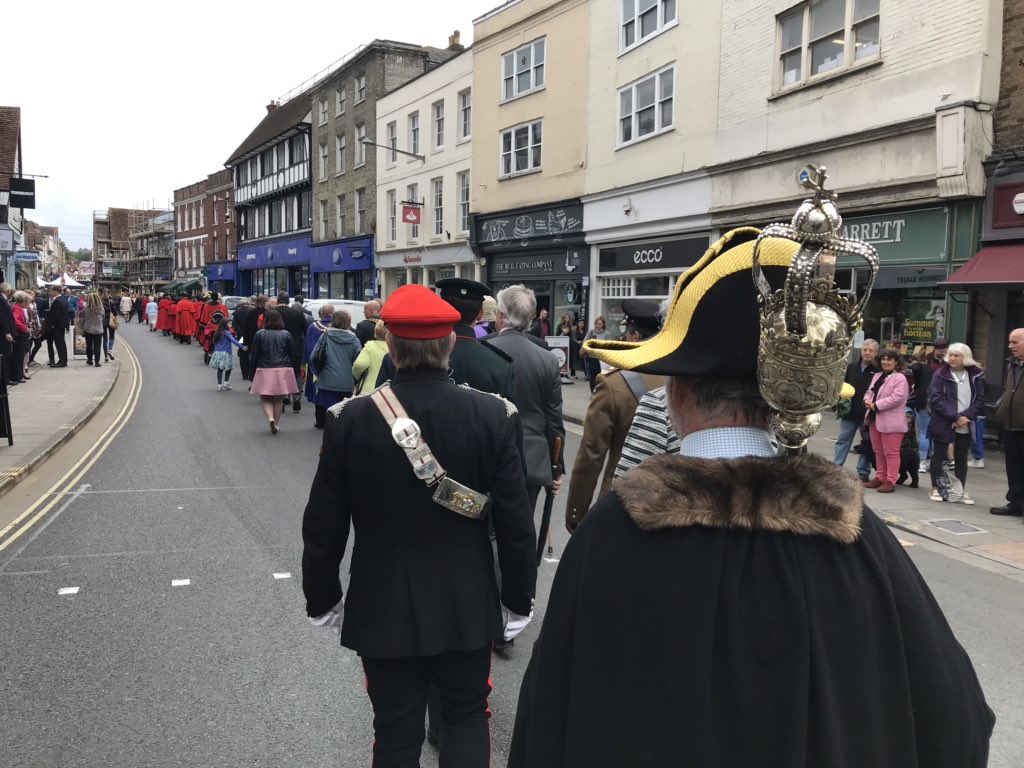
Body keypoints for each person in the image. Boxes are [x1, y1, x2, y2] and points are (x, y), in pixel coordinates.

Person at [508, 221, 994, 768]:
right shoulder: (860, 539)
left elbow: (544, 722)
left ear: (678, 392)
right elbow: (960, 723)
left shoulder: (613, 534)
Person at [302, 284, 536, 768]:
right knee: (467, 715)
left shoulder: (350, 419)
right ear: (449, 343)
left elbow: (324, 523)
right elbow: (515, 523)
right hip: (466, 597)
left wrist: (323, 597)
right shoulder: (494, 414)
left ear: (391, 346)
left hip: (382, 599)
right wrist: (518, 598)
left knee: (394, 731)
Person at [565, 299, 663, 531]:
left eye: (627, 333)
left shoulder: (613, 383)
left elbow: (591, 454)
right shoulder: (682, 379)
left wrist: (576, 514)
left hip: (622, 500)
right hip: (670, 505)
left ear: (635, 336)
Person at [487, 285, 566, 515]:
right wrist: (556, 467)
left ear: (501, 315)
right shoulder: (548, 360)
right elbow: (554, 419)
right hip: (533, 461)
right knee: (523, 525)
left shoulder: (484, 350)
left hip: (491, 458)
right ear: (531, 318)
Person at [435, 277, 518, 404]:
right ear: (480, 314)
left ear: (442, 309)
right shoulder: (500, 364)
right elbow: (511, 413)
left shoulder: (423, 356)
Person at [926, 342, 985, 504]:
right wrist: (955, 417)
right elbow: (936, 398)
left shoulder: (975, 375)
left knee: (961, 456)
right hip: (943, 420)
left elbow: (979, 399)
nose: (952, 358)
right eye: (950, 355)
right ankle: (935, 487)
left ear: (965, 357)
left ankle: (960, 490)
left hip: (965, 422)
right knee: (939, 454)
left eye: (956, 355)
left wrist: (966, 416)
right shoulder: (940, 374)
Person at [862, 349, 910, 494]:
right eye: (883, 359)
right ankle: (880, 477)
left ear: (896, 362)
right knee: (878, 451)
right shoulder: (877, 376)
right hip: (874, 418)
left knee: (891, 452)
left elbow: (898, 397)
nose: (885, 362)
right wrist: (866, 400)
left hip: (891, 421)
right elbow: (870, 391)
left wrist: (877, 405)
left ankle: (891, 480)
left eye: (889, 359)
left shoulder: (900, 378)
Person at [833, 339, 880, 480]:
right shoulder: (851, 367)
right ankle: (836, 469)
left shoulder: (878, 370)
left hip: (867, 414)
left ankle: (863, 472)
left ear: (876, 353)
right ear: (861, 351)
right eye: (865, 350)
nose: (867, 353)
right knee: (843, 440)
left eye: (871, 350)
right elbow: (841, 386)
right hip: (850, 412)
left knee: (867, 443)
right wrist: (838, 404)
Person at [247, 309, 299, 434]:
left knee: (265, 397)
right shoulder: (286, 334)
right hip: (283, 368)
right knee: (278, 399)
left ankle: (270, 418)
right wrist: (296, 371)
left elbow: (254, 355)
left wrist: (251, 373)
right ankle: (276, 423)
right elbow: (293, 354)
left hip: (264, 368)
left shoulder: (259, 334)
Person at [992, 328, 1024, 518]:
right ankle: (1016, 503)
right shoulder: (1013, 364)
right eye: (1010, 342)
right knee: (1014, 467)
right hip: (1011, 423)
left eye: (1015, 342)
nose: (1010, 346)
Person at [309, 310, 361, 410]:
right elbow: (358, 362)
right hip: (346, 382)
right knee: (342, 411)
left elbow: (313, 357)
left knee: (328, 411)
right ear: (348, 322)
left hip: (326, 381)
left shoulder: (325, 336)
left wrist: (319, 371)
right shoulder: (354, 340)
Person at [275, 291, 309, 412]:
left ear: (278, 300)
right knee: (296, 372)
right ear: (288, 301)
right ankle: (297, 396)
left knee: (281, 373)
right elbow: (306, 330)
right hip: (296, 346)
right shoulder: (297, 313)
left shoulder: (273, 313)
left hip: (278, 347)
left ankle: (284, 397)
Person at [302, 303, 335, 429]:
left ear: (321, 314)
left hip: (317, 366)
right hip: (336, 366)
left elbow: (309, 348)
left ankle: (320, 420)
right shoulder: (340, 327)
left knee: (319, 393)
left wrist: (308, 365)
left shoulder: (314, 327)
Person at [908, 345, 935, 473]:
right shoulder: (934, 371)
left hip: (922, 402)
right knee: (933, 432)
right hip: (934, 402)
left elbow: (915, 368)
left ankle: (922, 461)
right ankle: (932, 460)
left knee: (924, 431)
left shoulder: (918, 368)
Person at [208, 316, 246, 391]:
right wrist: (242, 347)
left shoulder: (217, 332)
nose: (231, 325)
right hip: (226, 352)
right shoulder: (227, 332)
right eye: (229, 324)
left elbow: (214, 342)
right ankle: (226, 382)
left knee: (220, 369)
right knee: (228, 368)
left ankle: (219, 385)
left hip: (218, 352)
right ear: (225, 324)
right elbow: (233, 340)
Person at [352, 320, 388, 395]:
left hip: (369, 391)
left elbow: (359, 365)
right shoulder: (395, 348)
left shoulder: (370, 346)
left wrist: (357, 376)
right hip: (388, 391)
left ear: (375, 333)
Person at [580, 316, 612, 391]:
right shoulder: (591, 332)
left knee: (601, 376)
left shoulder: (607, 334)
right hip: (592, 357)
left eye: (600, 324)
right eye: (596, 324)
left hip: (602, 358)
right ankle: (593, 391)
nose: (598, 325)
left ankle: (600, 391)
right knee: (593, 376)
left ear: (603, 325)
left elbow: (610, 345)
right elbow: (585, 342)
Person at [79, 292, 106, 368]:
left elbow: (80, 314)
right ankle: (97, 362)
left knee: (89, 345)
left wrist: (85, 317)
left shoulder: (87, 308)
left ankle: (90, 360)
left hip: (88, 329)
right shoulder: (101, 308)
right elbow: (103, 317)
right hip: (98, 330)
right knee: (97, 346)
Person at [44, 286, 69, 367]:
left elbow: (56, 315)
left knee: (59, 343)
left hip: (57, 326)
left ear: (56, 291)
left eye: (51, 291)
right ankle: (63, 360)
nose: (50, 293)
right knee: (61, 343)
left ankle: (62, 361)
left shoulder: (57, 301)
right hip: (62, 325)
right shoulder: (64, 299)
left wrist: (52, 325)